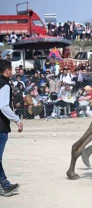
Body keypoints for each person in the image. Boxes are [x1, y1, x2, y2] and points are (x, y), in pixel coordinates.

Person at [0, 60, 23, 197]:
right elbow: (3, 106)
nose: (12, 73)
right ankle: (6, 186)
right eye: (12, 70)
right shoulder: (5, 84)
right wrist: (17, 120)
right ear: (7, 71)